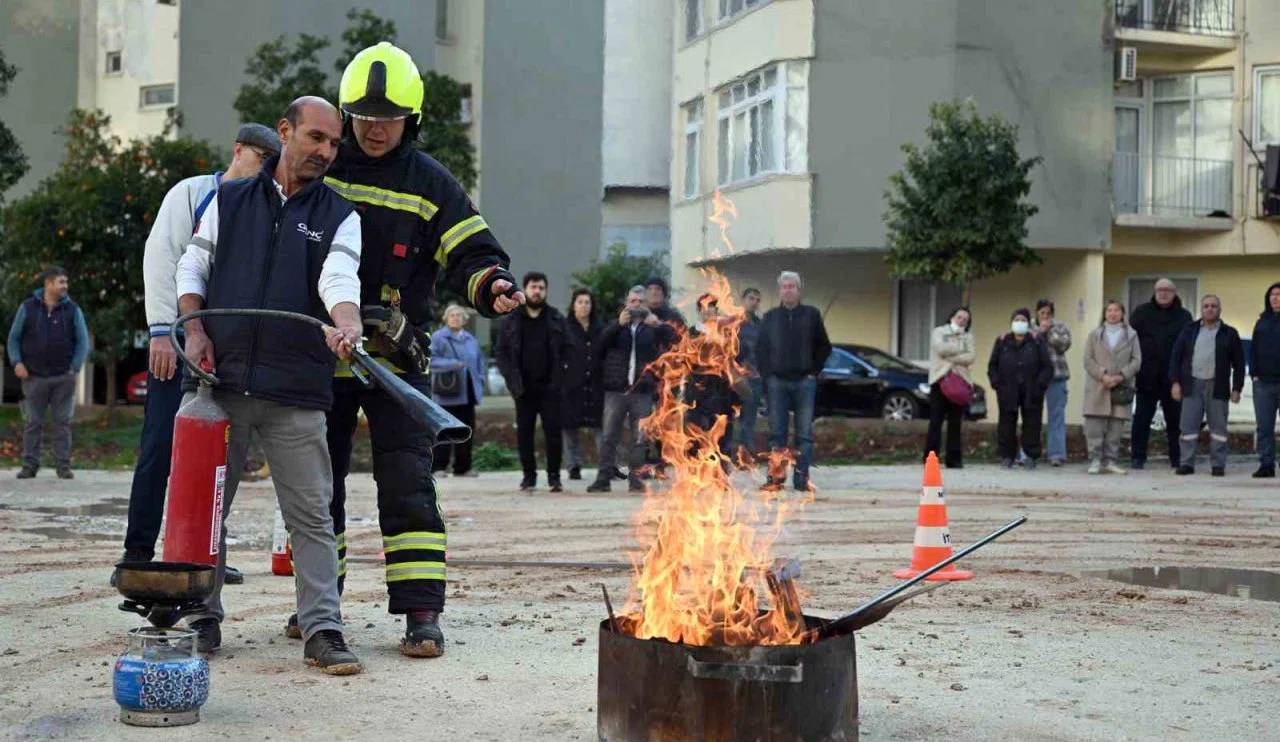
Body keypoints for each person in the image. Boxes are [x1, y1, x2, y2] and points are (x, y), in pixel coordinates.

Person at [316, 42, 520, 658]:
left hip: (398, 364)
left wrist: (493, 287)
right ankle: (318, 608)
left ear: (412, 119)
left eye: (389, 116)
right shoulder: (321, 168)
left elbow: (474, 252)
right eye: (363, 115)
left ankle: (421, 615)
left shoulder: (431, 182)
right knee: (316, 490)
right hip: (320, 356)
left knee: (407, 484)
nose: (375, 127)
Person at [175, 96, 364, 674]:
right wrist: (196, 327)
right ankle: (200, 615)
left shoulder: (341, 215)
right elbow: (192, 266)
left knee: (311, 515)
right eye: (316, 138)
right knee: (203, 512)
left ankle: (322, 629)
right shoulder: (229, 200)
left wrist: (347, 321)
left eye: (334, 144)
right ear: (284, 133)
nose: (326, 152)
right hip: (218, 384)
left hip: (296, 390)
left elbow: (339, 276)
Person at [119, 123, 278, 579]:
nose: (265, 171)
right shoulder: (191, 193)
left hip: (227, 350)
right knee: (159, 447)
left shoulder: (260, 209)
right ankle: (138, 552)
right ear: (238, 151)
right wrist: (161, 331)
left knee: (217, 459)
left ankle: (204, 556)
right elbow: (162, 257)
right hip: (178, 339)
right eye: (260, 159)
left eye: (272, 164)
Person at [587, 286, 675, 493]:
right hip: (615, 390)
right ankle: (603, 477)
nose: (636, 306)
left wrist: (657, 325)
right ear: (626, 303)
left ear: (646, 304)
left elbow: (673, 341)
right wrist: (617, 325)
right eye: (633, 301)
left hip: (642, 390)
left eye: (640, 302)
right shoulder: (616, 326)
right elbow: (598, 346)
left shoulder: (652, 328)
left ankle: (636, 478)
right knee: (609, 436)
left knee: (640, 438)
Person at [7, 266, 89, 480]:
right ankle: (30, 465)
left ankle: (63, 466)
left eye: (65, 282)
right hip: (33, 377)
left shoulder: (72, 310)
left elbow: (82, 341)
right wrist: (17, 362)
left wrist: (75, 367)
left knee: (62, 422)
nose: (65, 286)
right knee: (33, 422)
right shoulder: (27, 308)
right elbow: (13, 338)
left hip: (64, 377)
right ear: (48, 284)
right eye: (61, 282)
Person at [756, 271, 832, 491]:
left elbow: (824, 346)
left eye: (792, 286)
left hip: (804, 382)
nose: (788, 290)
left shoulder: (811, 315)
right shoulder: (770, 317)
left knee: (804, 436)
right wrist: (767, 374)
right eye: (784, 286)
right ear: (779, 291)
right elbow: (761, 349)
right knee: (776, 434)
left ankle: (801, 480)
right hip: (777, 383)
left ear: (799, 290)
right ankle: (775, 479)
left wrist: (813, 372)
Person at [495, 272, 568, 492]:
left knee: (553, 433)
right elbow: (501, 354)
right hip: (523, 389)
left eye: (541, 288)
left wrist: (561, 379)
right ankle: (529, 477)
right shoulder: (511, 320)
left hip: (550, 389)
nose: (537, 291)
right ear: (525, 290)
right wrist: (511, 380)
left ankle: (554, 476)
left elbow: (569, 350)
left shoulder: (556, 318)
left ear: (546, 291)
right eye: (533, 287)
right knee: (524, 434)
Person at [1170, 295, 1245, 477]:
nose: (1210, 309)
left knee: (1218, 429)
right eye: (1206, 306)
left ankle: (1218, 465)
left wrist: (1236, 388)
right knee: (1188, 428)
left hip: (1217, 386)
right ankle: (1186, 463)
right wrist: (1175, 383)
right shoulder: (1189, 330)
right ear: (1201, 309)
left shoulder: (1229, 333)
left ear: (1219, 310)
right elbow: (1176, 358)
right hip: (1191, 385)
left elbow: (1239, 364)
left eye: (1213, 306)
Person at [1129, 278, 1194, 469]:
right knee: (1141, 419)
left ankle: (1177, 458)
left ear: (1174, 292)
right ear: (1154, 292)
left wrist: (1181, 378)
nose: (1163, 293)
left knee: (1175, 421)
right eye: (1159, 290)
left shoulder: (1184, 316)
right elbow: (1130, 342)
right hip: (1146, 376)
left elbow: (1188, 349)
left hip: (1173, 379)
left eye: (1167, 290)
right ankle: (1137, 457)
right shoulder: (1141, 313)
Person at [988, 308, 1053, 469]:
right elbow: (993, 365)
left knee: (1032, 422)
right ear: (1011, 323)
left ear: (1028, 323)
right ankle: (1007, 456)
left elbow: (1047, 366)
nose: (1020, 323)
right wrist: (997, 384)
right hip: (1007, 389)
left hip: (1032, 390)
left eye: (1023, 320)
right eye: (1017, 320)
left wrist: (1040, 385)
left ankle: (1031, 455)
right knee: (1006, 423)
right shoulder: (1002, 341)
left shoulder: (1037, 341)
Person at [1082, 300, 1141, 475]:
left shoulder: (1131, 335)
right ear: (1104, 314)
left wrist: (1121, 376)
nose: (1112, 313)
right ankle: (1095, 459)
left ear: (1122, 313)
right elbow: (1087, 359)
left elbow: (1137, 360)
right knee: (1094, 426)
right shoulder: (1095, 335)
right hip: (1098, 386)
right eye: (1109, 310)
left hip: (1120, 386)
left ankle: (1110, 460)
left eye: (1116, 310)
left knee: (1116, 427)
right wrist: (1103, 375)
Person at [430, 304, 485, 478]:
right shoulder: (438, 338)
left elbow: (479, 364)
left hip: (467, 391)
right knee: (444, 430)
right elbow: (430, 360)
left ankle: (463, 466)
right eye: (452, 315)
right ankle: (439, 466)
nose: (455, 318)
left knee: (466, 429)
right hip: (446, 392)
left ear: (464, 319)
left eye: (459, 315)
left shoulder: (471, 339)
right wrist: (453, 364)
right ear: (445, 318)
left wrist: (480, 382)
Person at [561, 288, 605, 481]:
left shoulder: (600, 327)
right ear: (573, 305)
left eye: (587, 302)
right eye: (580, 302)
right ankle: (573, 466)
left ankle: (606, 465)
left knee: (601, 428)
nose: (584, 306)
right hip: (571, 383)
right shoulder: (564, 328)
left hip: (596, 383)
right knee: (569, 427)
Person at [924, 307, 975, 469]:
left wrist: (951, 353)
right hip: (940, 380)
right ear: (952, 317)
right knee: (935, 422)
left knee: (955, 422)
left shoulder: (968, 337)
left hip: (959, 382)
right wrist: (960, 348)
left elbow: (971, 357)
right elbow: (940, 349)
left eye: (965, 319)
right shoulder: (939, 332)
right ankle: (930, 457)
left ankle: (954, 459)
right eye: (959, 317)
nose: (961, 321)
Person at [1035, 299, 1072, 466]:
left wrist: (1049, 331)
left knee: (1056, 416)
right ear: (1037, 313)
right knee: (1031, 416)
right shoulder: (1028, 326)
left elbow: (1064, 345)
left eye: (1048, 313)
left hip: (1057, 376)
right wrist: (1039, 333)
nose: (1045, 316)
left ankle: (1056, 454)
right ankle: (1028, 453)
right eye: (1042, 313)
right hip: (1034, 378)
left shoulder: (1060, 327)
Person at [1250, 282, 1280, 478]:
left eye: (1279, 294)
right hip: (1263, 383)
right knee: (1264, 427)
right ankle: (1266, 465)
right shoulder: (1261, 322)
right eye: (1272, 295)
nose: (1275, 298)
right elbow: (1253, 349)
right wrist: (1254, 373)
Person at [735, 287, 763, 454]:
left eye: (757, 300)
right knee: (728, 416)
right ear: (743, 300)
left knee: (749, 416)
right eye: (751, 298)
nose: (754, 303)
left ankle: (745, 453)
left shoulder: (759, 325)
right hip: (735, 375)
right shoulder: (734, 323)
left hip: (755, 377)